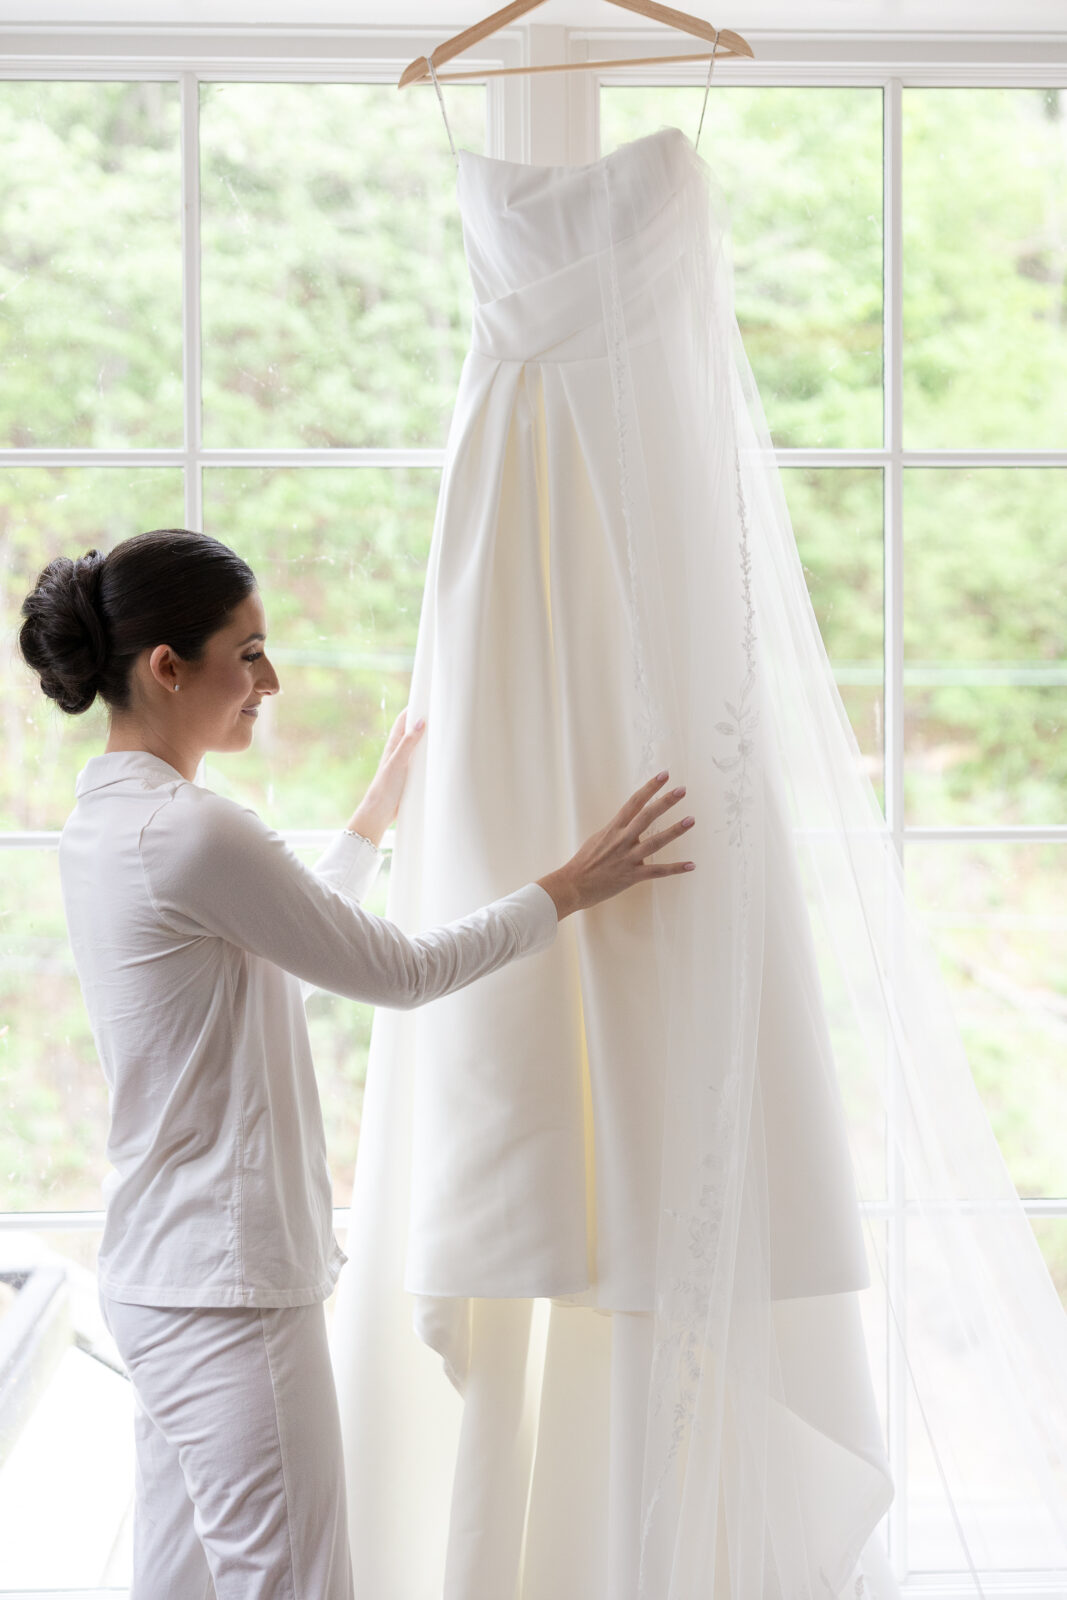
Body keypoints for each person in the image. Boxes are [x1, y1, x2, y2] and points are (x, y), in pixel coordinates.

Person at [16, 525, 697, 1600]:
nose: (270, 682)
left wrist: (371, 820)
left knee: (182, 1581)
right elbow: (400, 971)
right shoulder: (192, 832)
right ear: (167, 668)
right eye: (248, 654)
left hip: (157, 1275)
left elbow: (271, 955)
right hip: (230, 1288)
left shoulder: (103, 827)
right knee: (291, 1582)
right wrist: (565, 888)